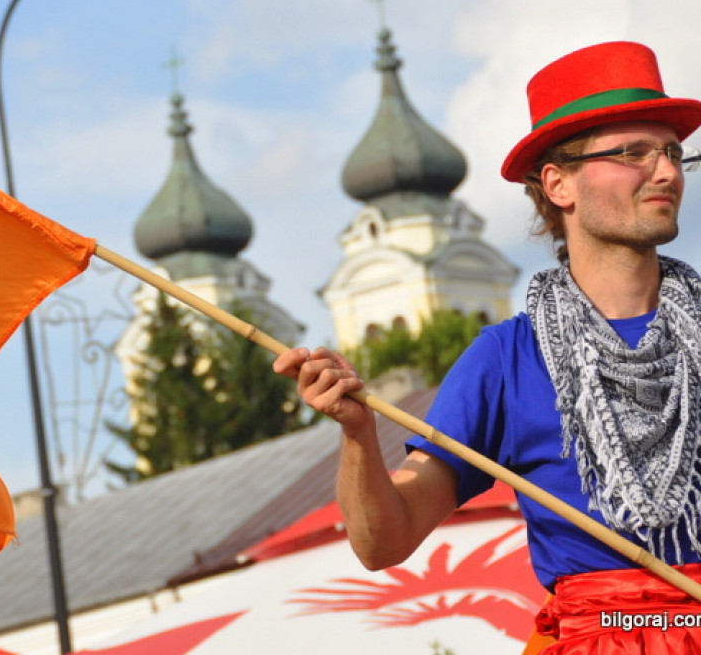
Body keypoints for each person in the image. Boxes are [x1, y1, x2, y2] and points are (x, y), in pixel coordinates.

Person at [274, 41, 701, 653]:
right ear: (558, 183)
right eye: (633, 153)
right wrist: (356, 433)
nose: (665, 173)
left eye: (672, 153)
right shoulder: (505, 359)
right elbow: (382, 543)